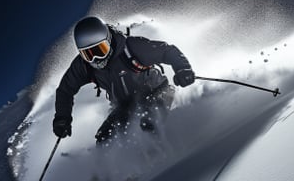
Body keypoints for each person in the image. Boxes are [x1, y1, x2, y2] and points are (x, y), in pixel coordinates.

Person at [53, 16, 195, 145]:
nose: (96, 59)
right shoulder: (83, 66)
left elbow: (167, 51)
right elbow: (65, 90)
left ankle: (164, 160)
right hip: (125, 106)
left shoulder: (131, 48)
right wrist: (62, 118)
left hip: (157, 91)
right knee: (104, 139)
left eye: (100, 50)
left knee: (149, 121)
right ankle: (112, 170)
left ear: (109, 40)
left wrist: (182, 69)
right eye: (88, 54)